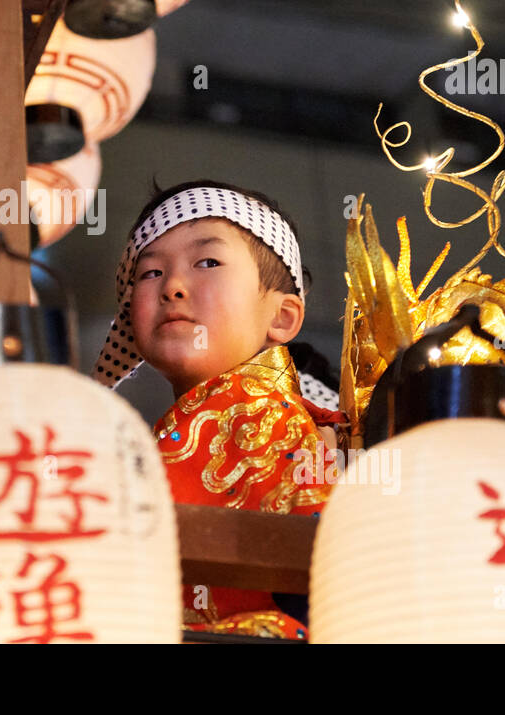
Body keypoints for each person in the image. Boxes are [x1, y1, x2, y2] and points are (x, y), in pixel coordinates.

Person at [93, 179, 347, 639]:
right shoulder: (208, 418)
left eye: (207, 262)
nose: (172, 285)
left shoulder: (260, 412)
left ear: (282, 317)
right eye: (150, 273)